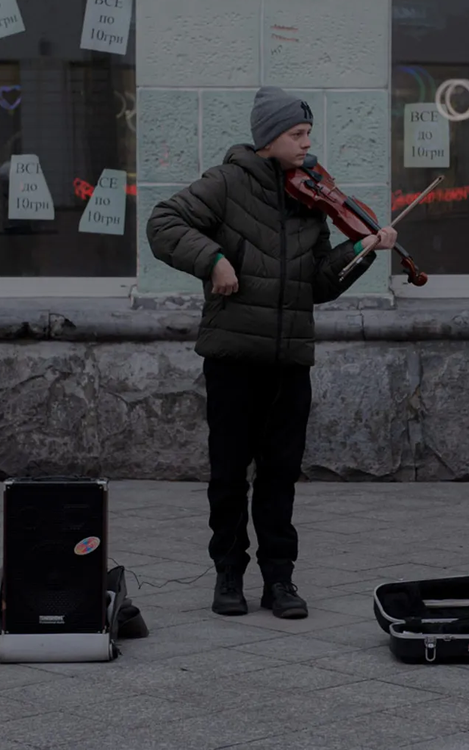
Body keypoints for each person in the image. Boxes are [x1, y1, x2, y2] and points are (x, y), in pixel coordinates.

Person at [146, 87, 397, 619]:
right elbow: (163, 223)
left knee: (281, 475)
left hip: (289, 360)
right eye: (297, 134)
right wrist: (213, 259)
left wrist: (363, 249)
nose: (308, 143)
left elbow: (319, 285)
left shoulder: (310, 196)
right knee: (229, 473)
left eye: (307, 134)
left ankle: (280, 580)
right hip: (234, 356)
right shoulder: (226, 183)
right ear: (268, 139)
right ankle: (228, 575)